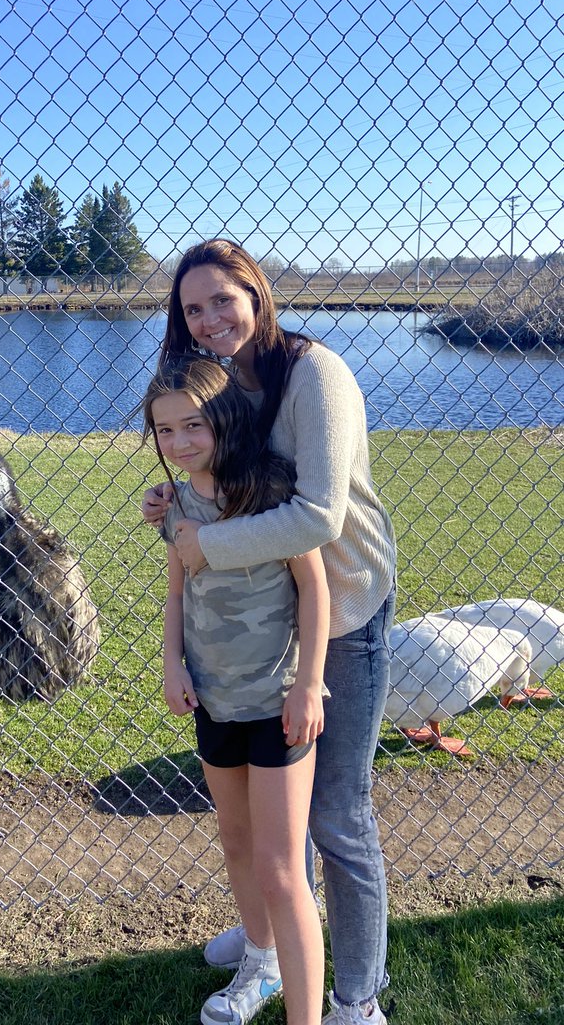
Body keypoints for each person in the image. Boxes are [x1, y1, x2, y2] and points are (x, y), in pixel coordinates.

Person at [142, 239, 397, 1025]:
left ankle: (355, 997)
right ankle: (273, 948)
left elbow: (317, 517)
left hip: (343, 610)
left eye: (223, 299)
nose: (210, 318)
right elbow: (215, 476)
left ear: (255, 293)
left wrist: (204, 543)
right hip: (265, 627)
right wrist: (176, 509)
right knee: (265, 829)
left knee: (336, 814)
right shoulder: (225, 384)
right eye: (193, 308)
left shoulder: (316, 375)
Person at [144, 356, 330, 1025]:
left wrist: (309, 684)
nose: (180, 442)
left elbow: (314, 587)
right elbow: (177, 591)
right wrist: (173, 664)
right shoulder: (175, 504)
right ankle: (261, 958)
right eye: (165, 430)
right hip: (214, 701)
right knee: (235, 840)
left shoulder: (271, 492)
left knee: (282, 869)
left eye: (193, 424)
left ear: (224, 417)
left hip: (278, 705)